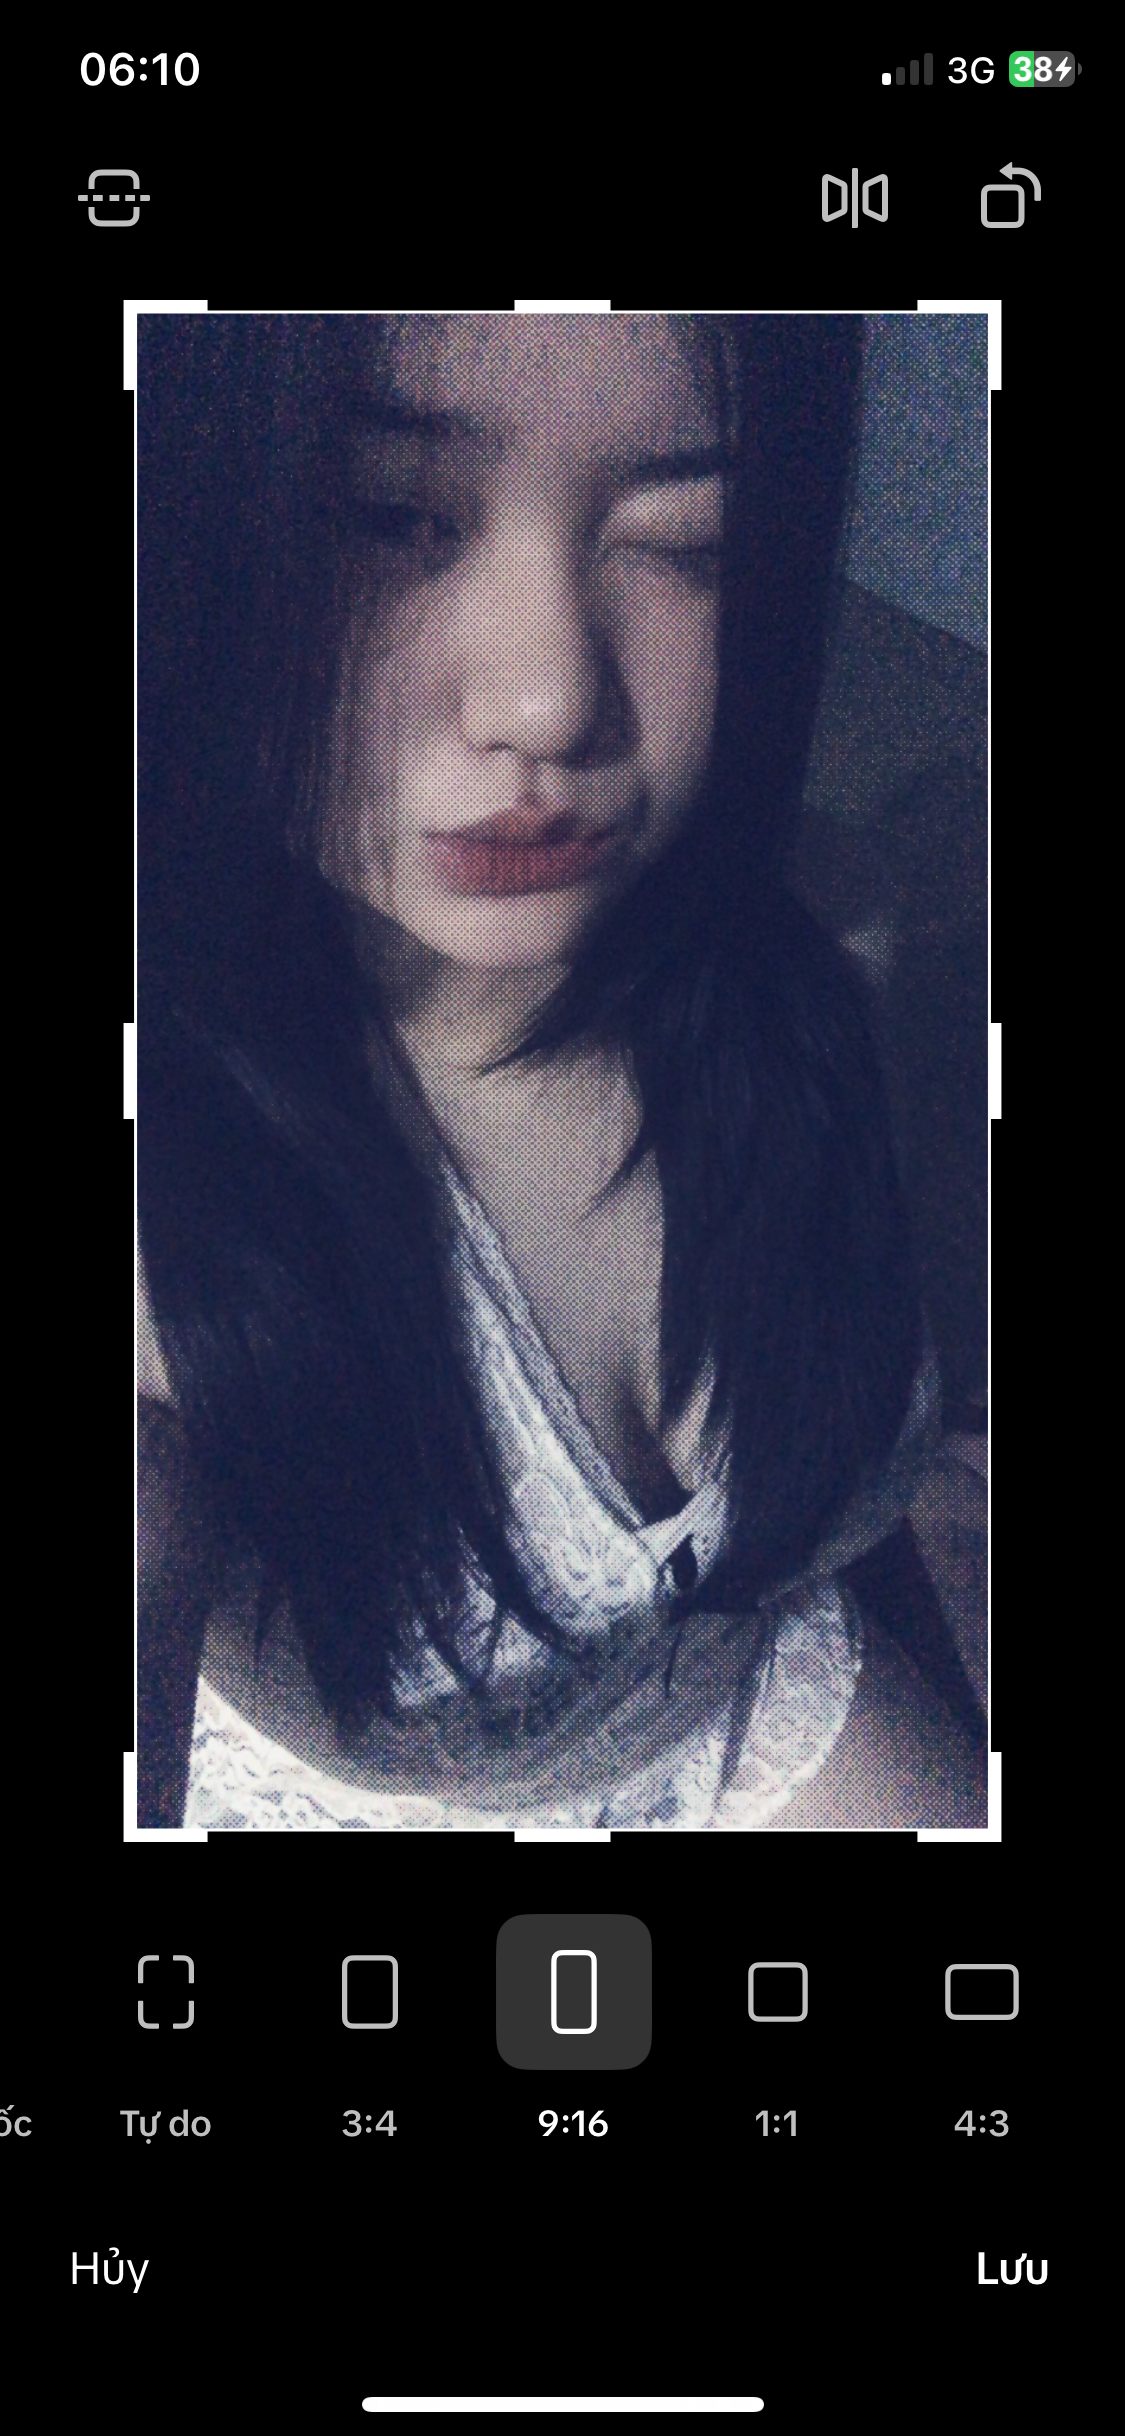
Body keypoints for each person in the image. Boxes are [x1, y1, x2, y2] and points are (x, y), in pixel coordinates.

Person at [137, 310, 986, 1831]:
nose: (550, 700)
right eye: (391, 517)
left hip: (731, 1701)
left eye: (687, 540)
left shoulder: (807, 945)